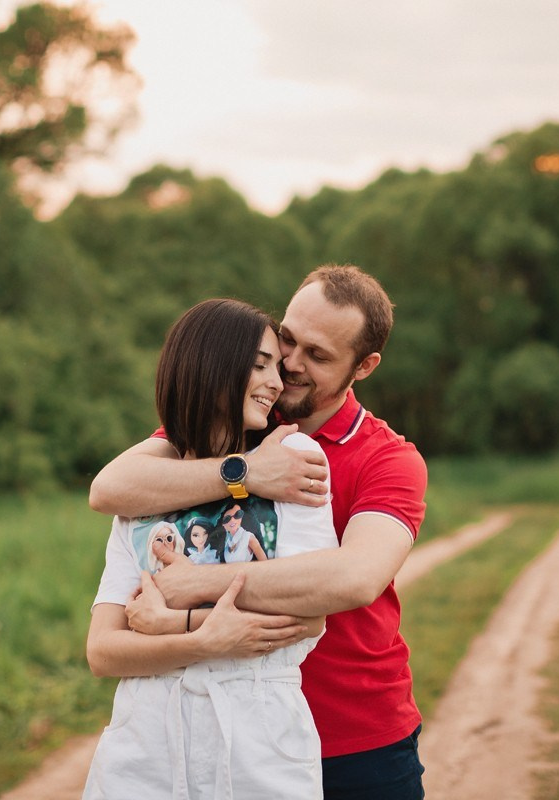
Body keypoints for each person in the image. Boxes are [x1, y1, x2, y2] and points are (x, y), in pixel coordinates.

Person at [90, 264, 429, 799]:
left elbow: (353, 580)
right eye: (287, 339)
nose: (289, 365)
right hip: (215, 728)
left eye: (317, 356)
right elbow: (110, 489)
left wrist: (192, 590)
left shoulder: (388, 459)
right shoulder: (233, 425)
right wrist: (245, 473)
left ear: (363, 366)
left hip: (354, 735)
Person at [82, 298, 340, 800]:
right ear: (211, 365)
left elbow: (308, 617)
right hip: (144, 747)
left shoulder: (292, 458)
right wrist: (201, 639)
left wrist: (169, 622)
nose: (276, 382)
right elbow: (103, 650)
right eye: (259, 365)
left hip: (256, 743)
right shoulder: (146, 487)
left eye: (276, 367)